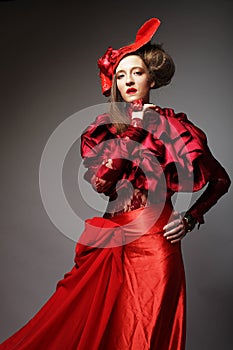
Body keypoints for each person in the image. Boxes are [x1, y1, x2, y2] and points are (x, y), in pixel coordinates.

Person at [0, 18, 230, 350]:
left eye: (136, 72)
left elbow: (221, 180)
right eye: (120, 75)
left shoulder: (176, 127)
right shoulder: (107, 128)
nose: (128, 81)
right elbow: (102, 183)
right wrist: (136, 127)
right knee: (97, 330)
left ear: (151, 76)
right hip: (112, 242)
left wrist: (191, 217)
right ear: (114, 85)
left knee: (146, 334)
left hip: (156, 245)